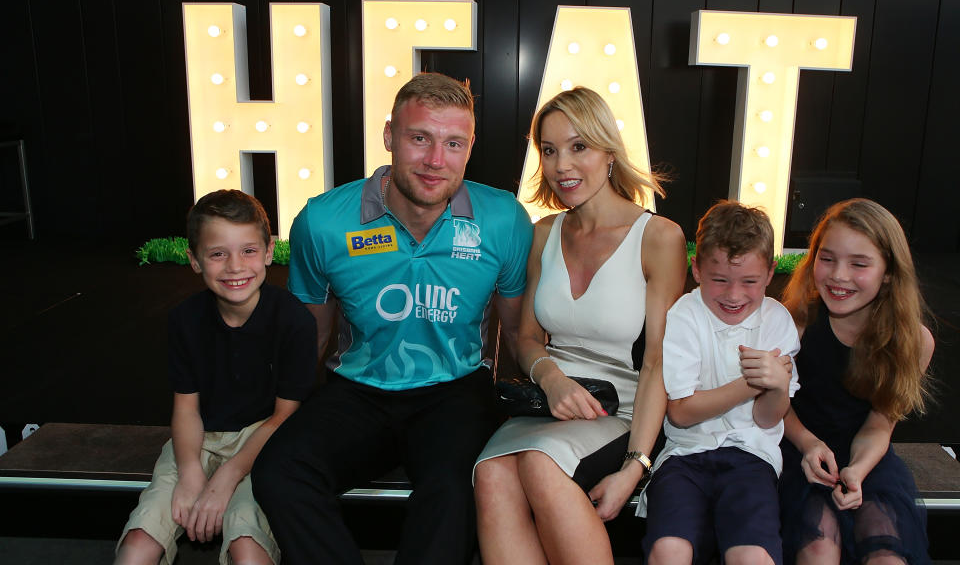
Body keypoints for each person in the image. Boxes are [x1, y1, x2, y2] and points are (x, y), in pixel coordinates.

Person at [250, 73, 534, 565]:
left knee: (454, 489)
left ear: (470, 148)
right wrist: (277, 417)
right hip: (357, 389)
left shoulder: (503, 219)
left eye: (453, 143)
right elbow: (313, 334)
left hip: (456, 387)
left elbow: (517, 332)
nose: (434, 160)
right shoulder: (323, 221)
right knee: (279, 471)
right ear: (388, 136)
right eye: (418, 137)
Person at [473, 86, 688, 565]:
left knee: (539, 463)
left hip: (623, 409)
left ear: (608, 152)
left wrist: (636, 465)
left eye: (578, 147)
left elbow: (658, 363)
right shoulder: (544, 233)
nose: (561, 165)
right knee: (489, 473)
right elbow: (525, 338)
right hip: (547, 403)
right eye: (548, 150)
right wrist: (552, 380)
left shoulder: (659, 237)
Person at [114, 190, 317, 565]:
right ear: (194, 260)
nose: (235, 267)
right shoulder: (184, 320)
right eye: (218, 253)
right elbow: (186, 407)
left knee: (247, 550)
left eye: (248, 251)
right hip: (197, 440)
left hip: (264, 443)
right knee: (137, 546)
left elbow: (283, 417)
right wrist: (191, 473)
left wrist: (227, 477)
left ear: (270, 251)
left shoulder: (294, 322)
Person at [642, 200, 801, 565]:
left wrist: (776, 389)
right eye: (720, 280)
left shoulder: (776, 320)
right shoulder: (684, 314)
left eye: (749, 282)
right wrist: (755, 382)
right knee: (669, 551)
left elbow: (766, 419)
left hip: (751, 458)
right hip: (684, 457)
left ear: (770, 273)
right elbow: (681, 413)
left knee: (751, 555)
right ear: (696, 270)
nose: (734, 295)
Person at [778, 198, 934, 565]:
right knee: (819, 547)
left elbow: (880, 426)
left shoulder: (914, 341)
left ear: (890, 272)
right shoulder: (792, 324)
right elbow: (771, 406)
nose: (838, 275)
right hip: (798, 449)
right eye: (827, 258)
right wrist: (808, 443)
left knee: (886, 553)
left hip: (868, 460)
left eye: (859, 264)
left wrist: (858, 471)